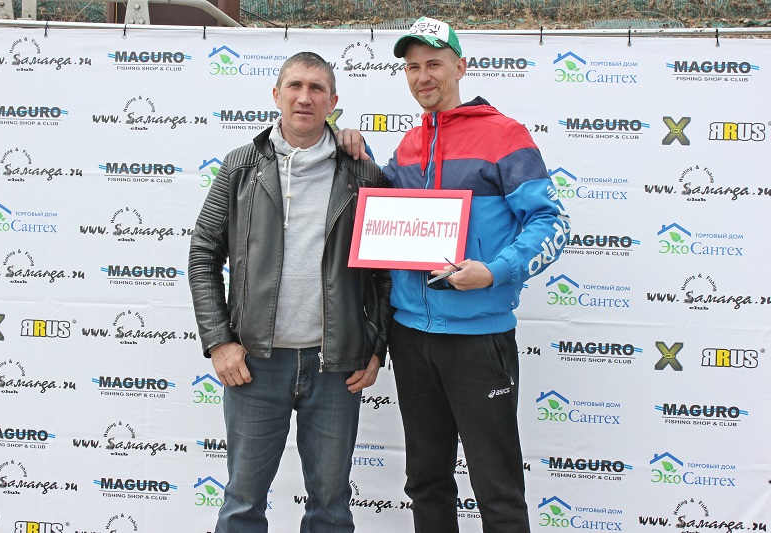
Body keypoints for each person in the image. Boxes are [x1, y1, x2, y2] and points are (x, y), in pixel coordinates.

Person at [339, 17, 570, 533]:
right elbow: (386, 218)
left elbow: (551, 222)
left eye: (434, 64)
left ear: (460, 67)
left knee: (497, 489)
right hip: (411, 336)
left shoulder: (504, 135)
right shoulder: (408, 144)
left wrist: (494, 271)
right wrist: (357, 151)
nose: (423, 76)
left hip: (478, 339)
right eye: (412, 67)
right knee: (426, 482)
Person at [188, 51, 392, 533]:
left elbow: (384, 271)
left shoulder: (362, 173)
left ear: (333, 102)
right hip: (255, 366)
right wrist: (218, 341)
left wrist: (376, 346)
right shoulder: (240, 167)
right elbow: (203, 255)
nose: (305, 97)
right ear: (276, 95)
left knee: (331, 509)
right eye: (295, 86)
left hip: (335, 368)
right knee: (242, 504)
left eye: (317, 88)